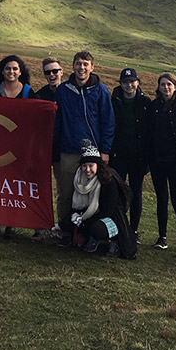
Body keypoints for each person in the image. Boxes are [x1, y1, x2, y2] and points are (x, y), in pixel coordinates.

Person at [53, 51, 114, 226]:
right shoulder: (63, 90)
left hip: (93, 152)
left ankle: (87, 231)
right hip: (68, 148)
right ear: (73, 66)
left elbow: (108, 122)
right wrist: (54, 147)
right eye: (79, 63)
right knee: (66, 192)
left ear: (92, 67)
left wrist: (105, 150)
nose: (82, 67)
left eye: (86, 64)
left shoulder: (101, 90)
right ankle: (64, 228)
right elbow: (57, 121)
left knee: (91, 193)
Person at [58, 140, 137, 259]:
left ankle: (113, 241)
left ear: (98, 166)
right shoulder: (79, 178)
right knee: (65, 223)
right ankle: (87, 237)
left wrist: (84, 222)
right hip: (88, 214)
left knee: (96, 229)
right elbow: (77, 204)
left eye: (91, 166)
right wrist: (75, 217)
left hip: (109, 216)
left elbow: (108, 210)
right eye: (84, 166)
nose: (87, 169)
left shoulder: (109, 181)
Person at [147, 72, 176, 254]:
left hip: (175, 161)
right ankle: (162, 237)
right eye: (163, 84)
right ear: (158, 87)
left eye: (169, 84)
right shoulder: (154, 106)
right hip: (157, 161)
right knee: (161, 199)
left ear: (175, 86)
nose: (166, 87)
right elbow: (150, 132)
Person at [0, 54, 32, 240]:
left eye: (14, 68)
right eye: (7, 68)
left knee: (13, 185)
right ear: (2, 71)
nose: (11, 72)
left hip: (18, 145)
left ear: (20, 72)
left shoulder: (28, 91)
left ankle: (11, 225)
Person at [109, 68, 151, 243]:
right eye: (125, 82)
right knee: (117, 193)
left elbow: (150, 131)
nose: (129, 85)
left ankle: (133, 230)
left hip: (137, 157)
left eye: (132, 81)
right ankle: (117, 228)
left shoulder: (145, 102)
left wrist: (147, 158)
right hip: (118, 156)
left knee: (136, 193)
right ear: (121, 83)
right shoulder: (113, 101)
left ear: (138, 82)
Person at [31, 57, 63, 238]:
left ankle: (63, 228)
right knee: (39, 189)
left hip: (62, 149)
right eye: (48, 72)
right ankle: (39, 227)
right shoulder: (40, 95)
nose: (52, 75)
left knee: (63, 191)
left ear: (62, 72)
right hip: (42, 150)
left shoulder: (68, 92)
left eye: (55, 71)